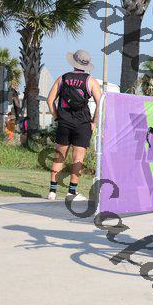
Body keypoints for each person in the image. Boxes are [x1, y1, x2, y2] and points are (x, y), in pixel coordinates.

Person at [46, 50, 102, 201]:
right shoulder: (90, 81)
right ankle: (71, 192)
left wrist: (56, 117)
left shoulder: (62, 78)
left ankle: (52, 192)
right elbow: (101, 103)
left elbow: (50, 100)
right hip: (83, 124)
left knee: (59, 156)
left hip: (64, 123)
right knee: (78, 158)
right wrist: (94, 122)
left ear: (73, 62)